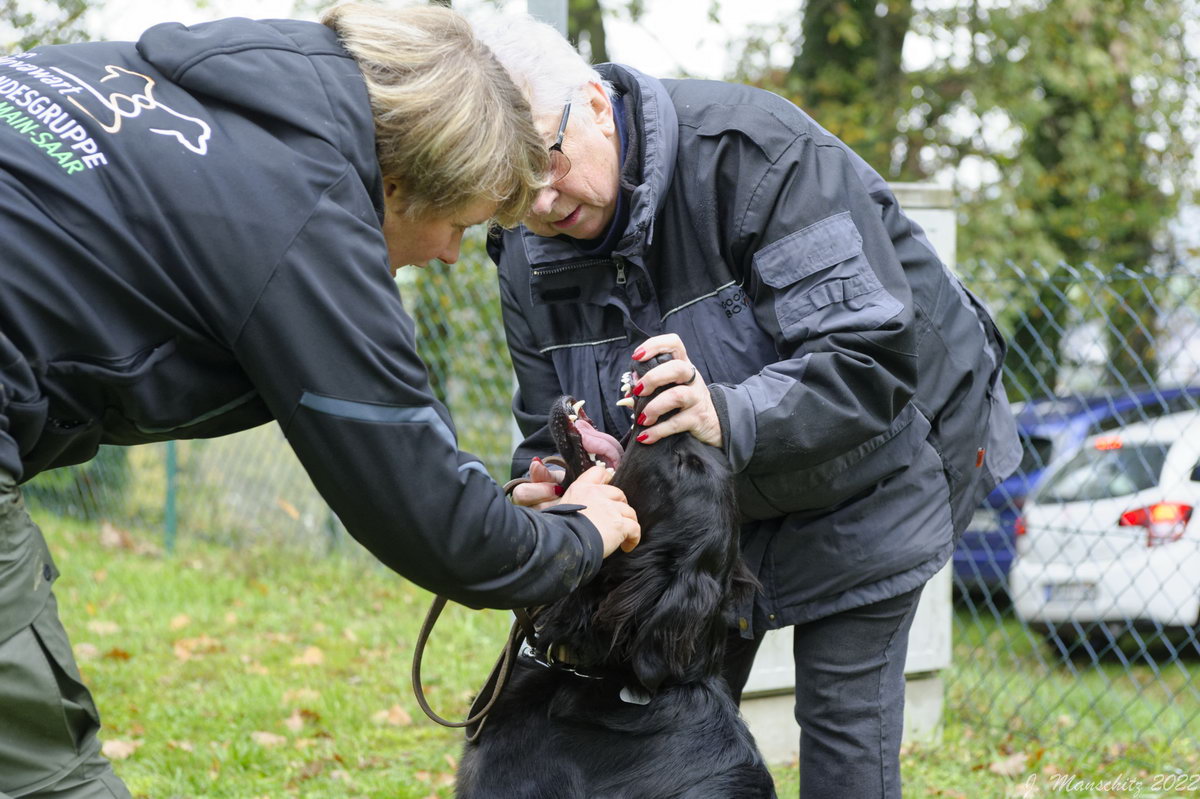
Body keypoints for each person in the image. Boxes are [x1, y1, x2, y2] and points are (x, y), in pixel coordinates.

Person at [0, 5, 641, 797]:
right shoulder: (304, 210)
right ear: (401, 182)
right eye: (459, 224)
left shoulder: (229, 88)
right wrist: (580, 533)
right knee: (45, 768)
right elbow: (431, 515)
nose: (446, 256)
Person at [472, 14, 1021, 799]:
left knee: (845, 740)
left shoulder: (757, 158)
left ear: (595, 103)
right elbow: (543, 422)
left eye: (549, 161)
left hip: (874, 470)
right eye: (512, 189)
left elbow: (866, 356)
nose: (543, 200)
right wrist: (546, 479)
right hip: (700, 521)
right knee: (682, 745)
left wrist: (725, 414)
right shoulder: (527, 254)